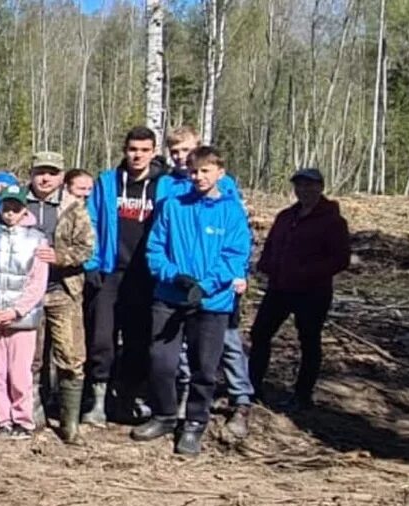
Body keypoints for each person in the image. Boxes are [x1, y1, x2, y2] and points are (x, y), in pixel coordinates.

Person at [132, 147, 250, 456]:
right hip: (170, 296)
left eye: (206, 171)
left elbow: (235, 255)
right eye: (195, 171)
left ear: (220, 174)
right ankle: (165, 414)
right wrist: (174, 276)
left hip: (211, 301)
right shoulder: (173, 206)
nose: (199, 177)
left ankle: (196, 422)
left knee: (204, 368)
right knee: (161, 360)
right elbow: (155, 248)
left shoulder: (231, 210)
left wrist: (206, 285)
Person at [163, 127, 255, 432]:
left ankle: (240, 399)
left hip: (218, 287)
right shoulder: (169, 186)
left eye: (185, 150)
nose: (180, 157)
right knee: (182, 351)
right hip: (180, 285)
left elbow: (236, 242)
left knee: (224, 344)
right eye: (174, 152)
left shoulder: (226, 189)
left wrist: (236, 275)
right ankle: (183, 400)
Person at [84, 127, 169, 425]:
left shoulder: (166, 186)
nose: (137, 155)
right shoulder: (107, 182)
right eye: (133, 149)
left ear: (154, 151)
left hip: (146, 276)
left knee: (138, 340)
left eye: (144, 150)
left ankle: (128, 397)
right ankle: (98, 400)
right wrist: (92, 263)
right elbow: (91, 222)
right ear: (124, 149)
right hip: (110, 272)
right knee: (102, 339)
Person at [250, 169, 350, 415]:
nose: (304, 190)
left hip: (312, 292)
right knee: (260, 334)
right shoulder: (286, 216)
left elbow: (340, 259)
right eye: (300, 186)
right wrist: (266, 265)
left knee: (309, 341)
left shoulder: (333, 221)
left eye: (310, 185)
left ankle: (302, 395)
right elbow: (272, 245)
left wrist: (307, 272)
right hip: (280, 287)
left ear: (321, 187)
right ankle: (252, 387)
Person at [18, 152, 95, 442]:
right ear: (32, 173)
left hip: (62, 290)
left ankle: (69, 422)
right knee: (31, 357)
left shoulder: (73, 207)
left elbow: (86, 247)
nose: (45, 178)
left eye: (52, 172)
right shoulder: (16, 203)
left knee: (70, 355)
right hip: (26, 293)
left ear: (62, 176)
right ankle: (32, 412)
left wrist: (60, 256)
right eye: (40, 172)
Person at [0, 187, 50, 440]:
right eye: (6, 207)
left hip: (22, 320)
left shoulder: (37, 240)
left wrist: (16, 311)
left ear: (24, 210)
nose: (10, 213)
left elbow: (38, 282)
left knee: (19, 374)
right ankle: (2, 420)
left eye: (16, 208)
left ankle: (23, 421)